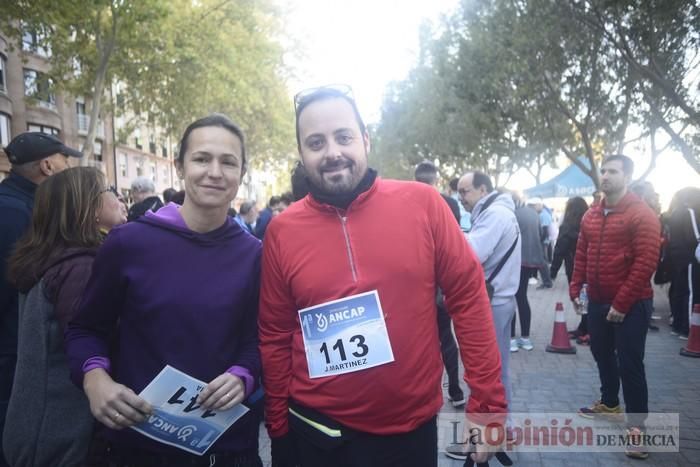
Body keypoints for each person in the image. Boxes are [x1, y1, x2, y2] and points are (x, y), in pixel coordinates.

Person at [259, 85, 506, 467]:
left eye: (343, 137)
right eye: (316, 142)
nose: (332, 152)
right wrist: (277, 427)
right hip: (317, 430)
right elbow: (275, 334)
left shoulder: (424, 205)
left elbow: (469, 298)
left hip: (408, 432)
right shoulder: (281, 231)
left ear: (365, 140)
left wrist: (487, 406)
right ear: (302, 154)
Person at [65, 114, 263, 467]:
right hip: (138, 445)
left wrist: (244, 375)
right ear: (180, 167)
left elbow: (261, 338)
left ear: (241, 175)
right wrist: (95, 379)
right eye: (202, 159)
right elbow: (85, 328)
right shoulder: (128, 242)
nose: (215, 172)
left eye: (228, 162)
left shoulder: (255, 254)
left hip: (228, 449)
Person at [2, 167, 124, 467]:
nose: (118, 196)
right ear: (88, 207)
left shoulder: (53, 257)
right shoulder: (80, 268)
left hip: (38, 426)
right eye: (108, 189)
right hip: (66, 434)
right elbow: (93, 340)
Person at [0, 132, 82, 466]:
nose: (68, 166)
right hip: (12, 350)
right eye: (65, 159)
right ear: (48, 165)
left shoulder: (16, 204)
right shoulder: (17, 213)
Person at [570, 155, 660, 460]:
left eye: (613, 172)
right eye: (603, 171)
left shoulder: (641, 214)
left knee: (630, 365)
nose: (605, 176)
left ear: (627, 176)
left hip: (632, 303)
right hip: (597, 300)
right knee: (600, 353)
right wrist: (574, 286)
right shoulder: (592, 215)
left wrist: (622, 303)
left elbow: (645, 262)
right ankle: (609, 403)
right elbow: (581, 251)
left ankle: (638, 430)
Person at [457, 172, 520, 414]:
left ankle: (486, 433)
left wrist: (451, 236)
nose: (460, 197)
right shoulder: (499, 212)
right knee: (498, 369)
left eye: (465, 191)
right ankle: (506, 427)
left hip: (492, 301)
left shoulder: (494, 215)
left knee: (484, 372)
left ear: (483, 190)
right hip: (502, 299)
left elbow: (473, 252)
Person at [414, 161, 465, 407]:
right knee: (446, 337)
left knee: (417, 339)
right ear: (435, 179)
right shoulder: (451, 203)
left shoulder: (405, 202)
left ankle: (423, 392)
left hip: (415, 284)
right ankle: (455, 390)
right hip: (442, 281)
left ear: (415, 178)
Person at [550, 197, 589, 344]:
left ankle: (587, 328)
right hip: (590, 266)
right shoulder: (589, 222)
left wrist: (552, 272)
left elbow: (559, 249)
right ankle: (584, 327)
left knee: (580, 298)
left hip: (574, 268)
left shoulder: (567, 226)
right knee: (587, 297)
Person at [511, 192, 545, 352]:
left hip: (514, 260)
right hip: (529, 261)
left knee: (509, 298)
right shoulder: (534, 215)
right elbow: (541, 235)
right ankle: (525, 338)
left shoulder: (513, 214)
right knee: (522, 296)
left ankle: (510, 338)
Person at [666, 187, 700, 339]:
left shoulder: (675, 212)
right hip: (689, 258)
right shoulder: (689, 212)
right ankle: (689, 329)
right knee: (691, 293)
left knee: (680, 291)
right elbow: (695, 236)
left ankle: (678, 325)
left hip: (678, 258)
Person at [527, 197, 554, 289]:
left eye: (532, 206)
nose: (530, 208)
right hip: (541, 242)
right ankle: (547, 281)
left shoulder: (543, 215)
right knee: (542, 262)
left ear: (538, 205)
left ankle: (547, 282)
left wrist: (539, 241)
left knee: (542, 262)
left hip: (542, 242)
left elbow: (545, 231)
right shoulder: (539, 214)